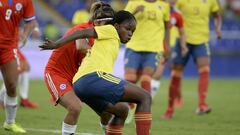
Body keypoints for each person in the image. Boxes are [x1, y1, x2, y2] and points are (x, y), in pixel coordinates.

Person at [40, 10, 152, 135]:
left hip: (81, 85)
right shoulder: (110, 30)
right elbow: (82, 32)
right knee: (145, 97)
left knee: (122, 110)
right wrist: (57, 44)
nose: (130, 33)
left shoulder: (112, 39)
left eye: (133, 31)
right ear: (116, 26)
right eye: (128, 28)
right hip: (93, 77)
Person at [162, 0, 222, 119]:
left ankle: (202, 104)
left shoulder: (211, 1)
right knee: (176, 74)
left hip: (201, 40)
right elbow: (170, 9)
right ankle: (170, 109)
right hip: (183, 40)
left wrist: (217, 28)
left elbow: (217, 16)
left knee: (205, 69)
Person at [124, 0, 171, 123]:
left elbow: (167, 28)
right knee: (130, 78)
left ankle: (144, 112)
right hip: (134, 46)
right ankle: (130, 106)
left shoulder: (164, 6)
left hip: (154, 49)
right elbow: (122, 22)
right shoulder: (134, 3)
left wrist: (167, 46)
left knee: (146, 78)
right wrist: (134, 12)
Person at [0, 0, 37, 133]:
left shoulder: (26, 1)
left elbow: (31, 21)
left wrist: (25, 34)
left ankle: (10, 123)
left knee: (11, 84)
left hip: (9, 46)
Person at [151, 0, 188, 100]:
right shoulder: (155, 8)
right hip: (148, 45)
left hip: (166, 47)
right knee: (146, 74)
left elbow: (182, 32)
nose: (172, 0)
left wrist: (183, 46)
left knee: (161, 74)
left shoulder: (176, 15)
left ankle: (150, 99)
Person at [0, 27, 41, 109]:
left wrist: (24, 60)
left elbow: (16, 48)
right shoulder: (9, 30)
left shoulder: (15, 29)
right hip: (6, 53)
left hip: (11, 51)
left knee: (23, 71)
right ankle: (1, 100)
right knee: (13, 77)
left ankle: (24, 99)